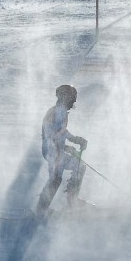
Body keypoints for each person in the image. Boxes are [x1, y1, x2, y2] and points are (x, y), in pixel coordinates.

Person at [36, 84, 88, 215]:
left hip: (57, 150)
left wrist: (72, 142)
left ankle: (72, 200)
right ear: (65, 97)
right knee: (55, 179)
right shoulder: (54, 112)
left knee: (79, 166)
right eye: (72, 99)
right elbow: (51, 135)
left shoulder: (62, 112)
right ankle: (42, 209)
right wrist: (68, 145)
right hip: (51, 151)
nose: (73, 102)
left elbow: (61, 132)